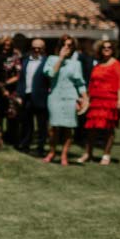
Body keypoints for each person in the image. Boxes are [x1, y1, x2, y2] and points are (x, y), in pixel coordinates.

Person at [78, 39, 120, 165]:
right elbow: (91, 83)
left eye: (109, 47)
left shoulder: (117, 65)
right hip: (96, 101)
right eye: (104, 47)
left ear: (113, 49)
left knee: (108, 129)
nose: (106, 49)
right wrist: (86, 99)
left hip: (110, 101)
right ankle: (88, 153)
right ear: (100, 50)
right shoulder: (98, 65)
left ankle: (106, 155)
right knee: (91, 129)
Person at [42, 35, 87, 166]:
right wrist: (60, 58)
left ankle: (64, 155)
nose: (66, 47)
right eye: (64, 44)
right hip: (55, 97)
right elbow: (50, 74)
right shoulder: (51, 59)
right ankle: (51, 152)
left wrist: (85, 98)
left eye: (69, 45)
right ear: (60, 46)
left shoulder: (76, 64)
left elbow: (80, 83)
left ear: (73, 48)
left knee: (68, 128)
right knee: (53, 128)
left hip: (70, 97)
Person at [15, 38, 50, 156]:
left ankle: (40, 148)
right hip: (26, 96)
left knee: (41, 125)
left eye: (39, 48)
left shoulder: (47, 61)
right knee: (26, 123)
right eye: (34, 47)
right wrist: (19, 95)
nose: (36, 50)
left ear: (43, 49)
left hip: (41, 97)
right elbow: (21, 80)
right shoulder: (25, 61)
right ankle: (25, 145)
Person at [0, 35, 22, 145]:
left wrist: (7, 83)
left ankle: (12, 138)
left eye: (9, 45)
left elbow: (19, 75)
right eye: (4, 45)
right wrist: (1, 87)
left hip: (13, 90)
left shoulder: (16, 58)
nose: (6, 47)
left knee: (13, 115)